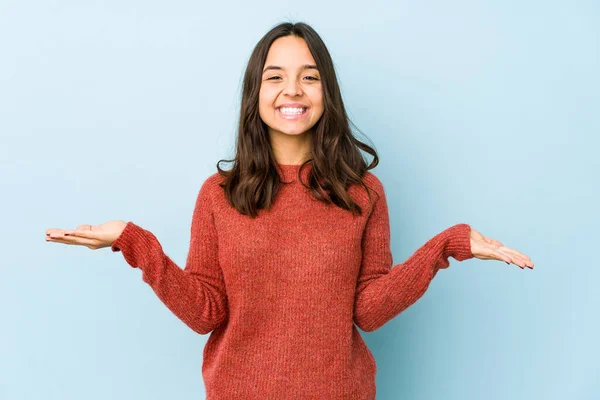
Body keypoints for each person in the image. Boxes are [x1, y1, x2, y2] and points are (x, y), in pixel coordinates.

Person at [45, 21, 534, 400]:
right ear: (256, 93)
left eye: (310, 77)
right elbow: (204, 311)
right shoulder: (219, 194)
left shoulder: (363, 193)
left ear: (327, 92)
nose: (293, 91)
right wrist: (134, 242)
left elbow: (369, 309)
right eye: (275, 77)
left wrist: (446, 247)